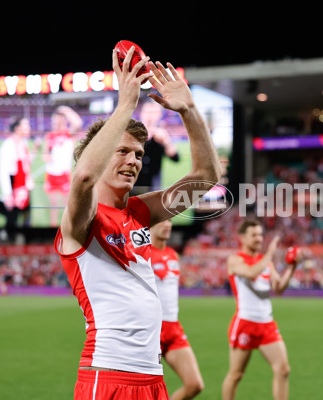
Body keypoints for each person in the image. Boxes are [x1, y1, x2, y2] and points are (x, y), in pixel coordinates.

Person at [54, 46, 222, 400]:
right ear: (98, 154)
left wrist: (189, 111)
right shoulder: (83, 220)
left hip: (152, 377)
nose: (134, 161)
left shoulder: (138, 213)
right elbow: (83, 178)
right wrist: (125, 104)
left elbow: (206, 177)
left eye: (139, 155)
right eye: (122, 151)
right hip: (109, 376)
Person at [221, 219, 302, 400]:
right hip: (245, 322)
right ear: (242, 238)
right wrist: (269, 255)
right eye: (254, 235)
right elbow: (250, 273)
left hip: (266, 323)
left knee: (283, 369)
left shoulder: (266, 263)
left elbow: (278, 288)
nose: (259, 239)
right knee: (236, 374)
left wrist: (292, 267)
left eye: (260, 234)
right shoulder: (235, 260)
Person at [150, 219, 204, 400]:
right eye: (162, 221)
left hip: (173, 327)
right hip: (150, 330)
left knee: (194, 385)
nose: (167, 225)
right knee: (145, 390)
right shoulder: (141, 254)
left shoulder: (173, 254)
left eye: (169, 221)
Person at [42, 105, 83, 227]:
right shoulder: (49, 135)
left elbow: (78, 123)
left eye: (58, 120)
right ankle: (53, 229)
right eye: (54, 120)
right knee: (53, 206)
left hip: (64, 175)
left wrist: (65, 109)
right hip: (51, 175)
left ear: (64, 120)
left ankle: (67, 229)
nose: (55, 123)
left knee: (67, 206)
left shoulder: (69, 134)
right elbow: (44, 153)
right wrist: (46, 157)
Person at [0, 116, 35, 237]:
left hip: (25, 186)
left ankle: (27, 240)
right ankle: (9, 240)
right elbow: (3, 171)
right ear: (18, 128)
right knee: (12, 219)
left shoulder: (24, 143)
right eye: (26, 125)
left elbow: (26, 163)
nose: (29, 128)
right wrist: (7, 194)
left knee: (26, 218)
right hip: (14, 186)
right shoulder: (7, 145)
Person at [134, 100, 180, 192]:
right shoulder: (133, 133)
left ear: (159, 115)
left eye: (154, 112)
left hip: (153, 186)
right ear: (142, 113)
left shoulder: (161, 135)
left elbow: (175, 158)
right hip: (133, 184)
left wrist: (166, 142)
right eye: (148, 111)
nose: (150, 115)